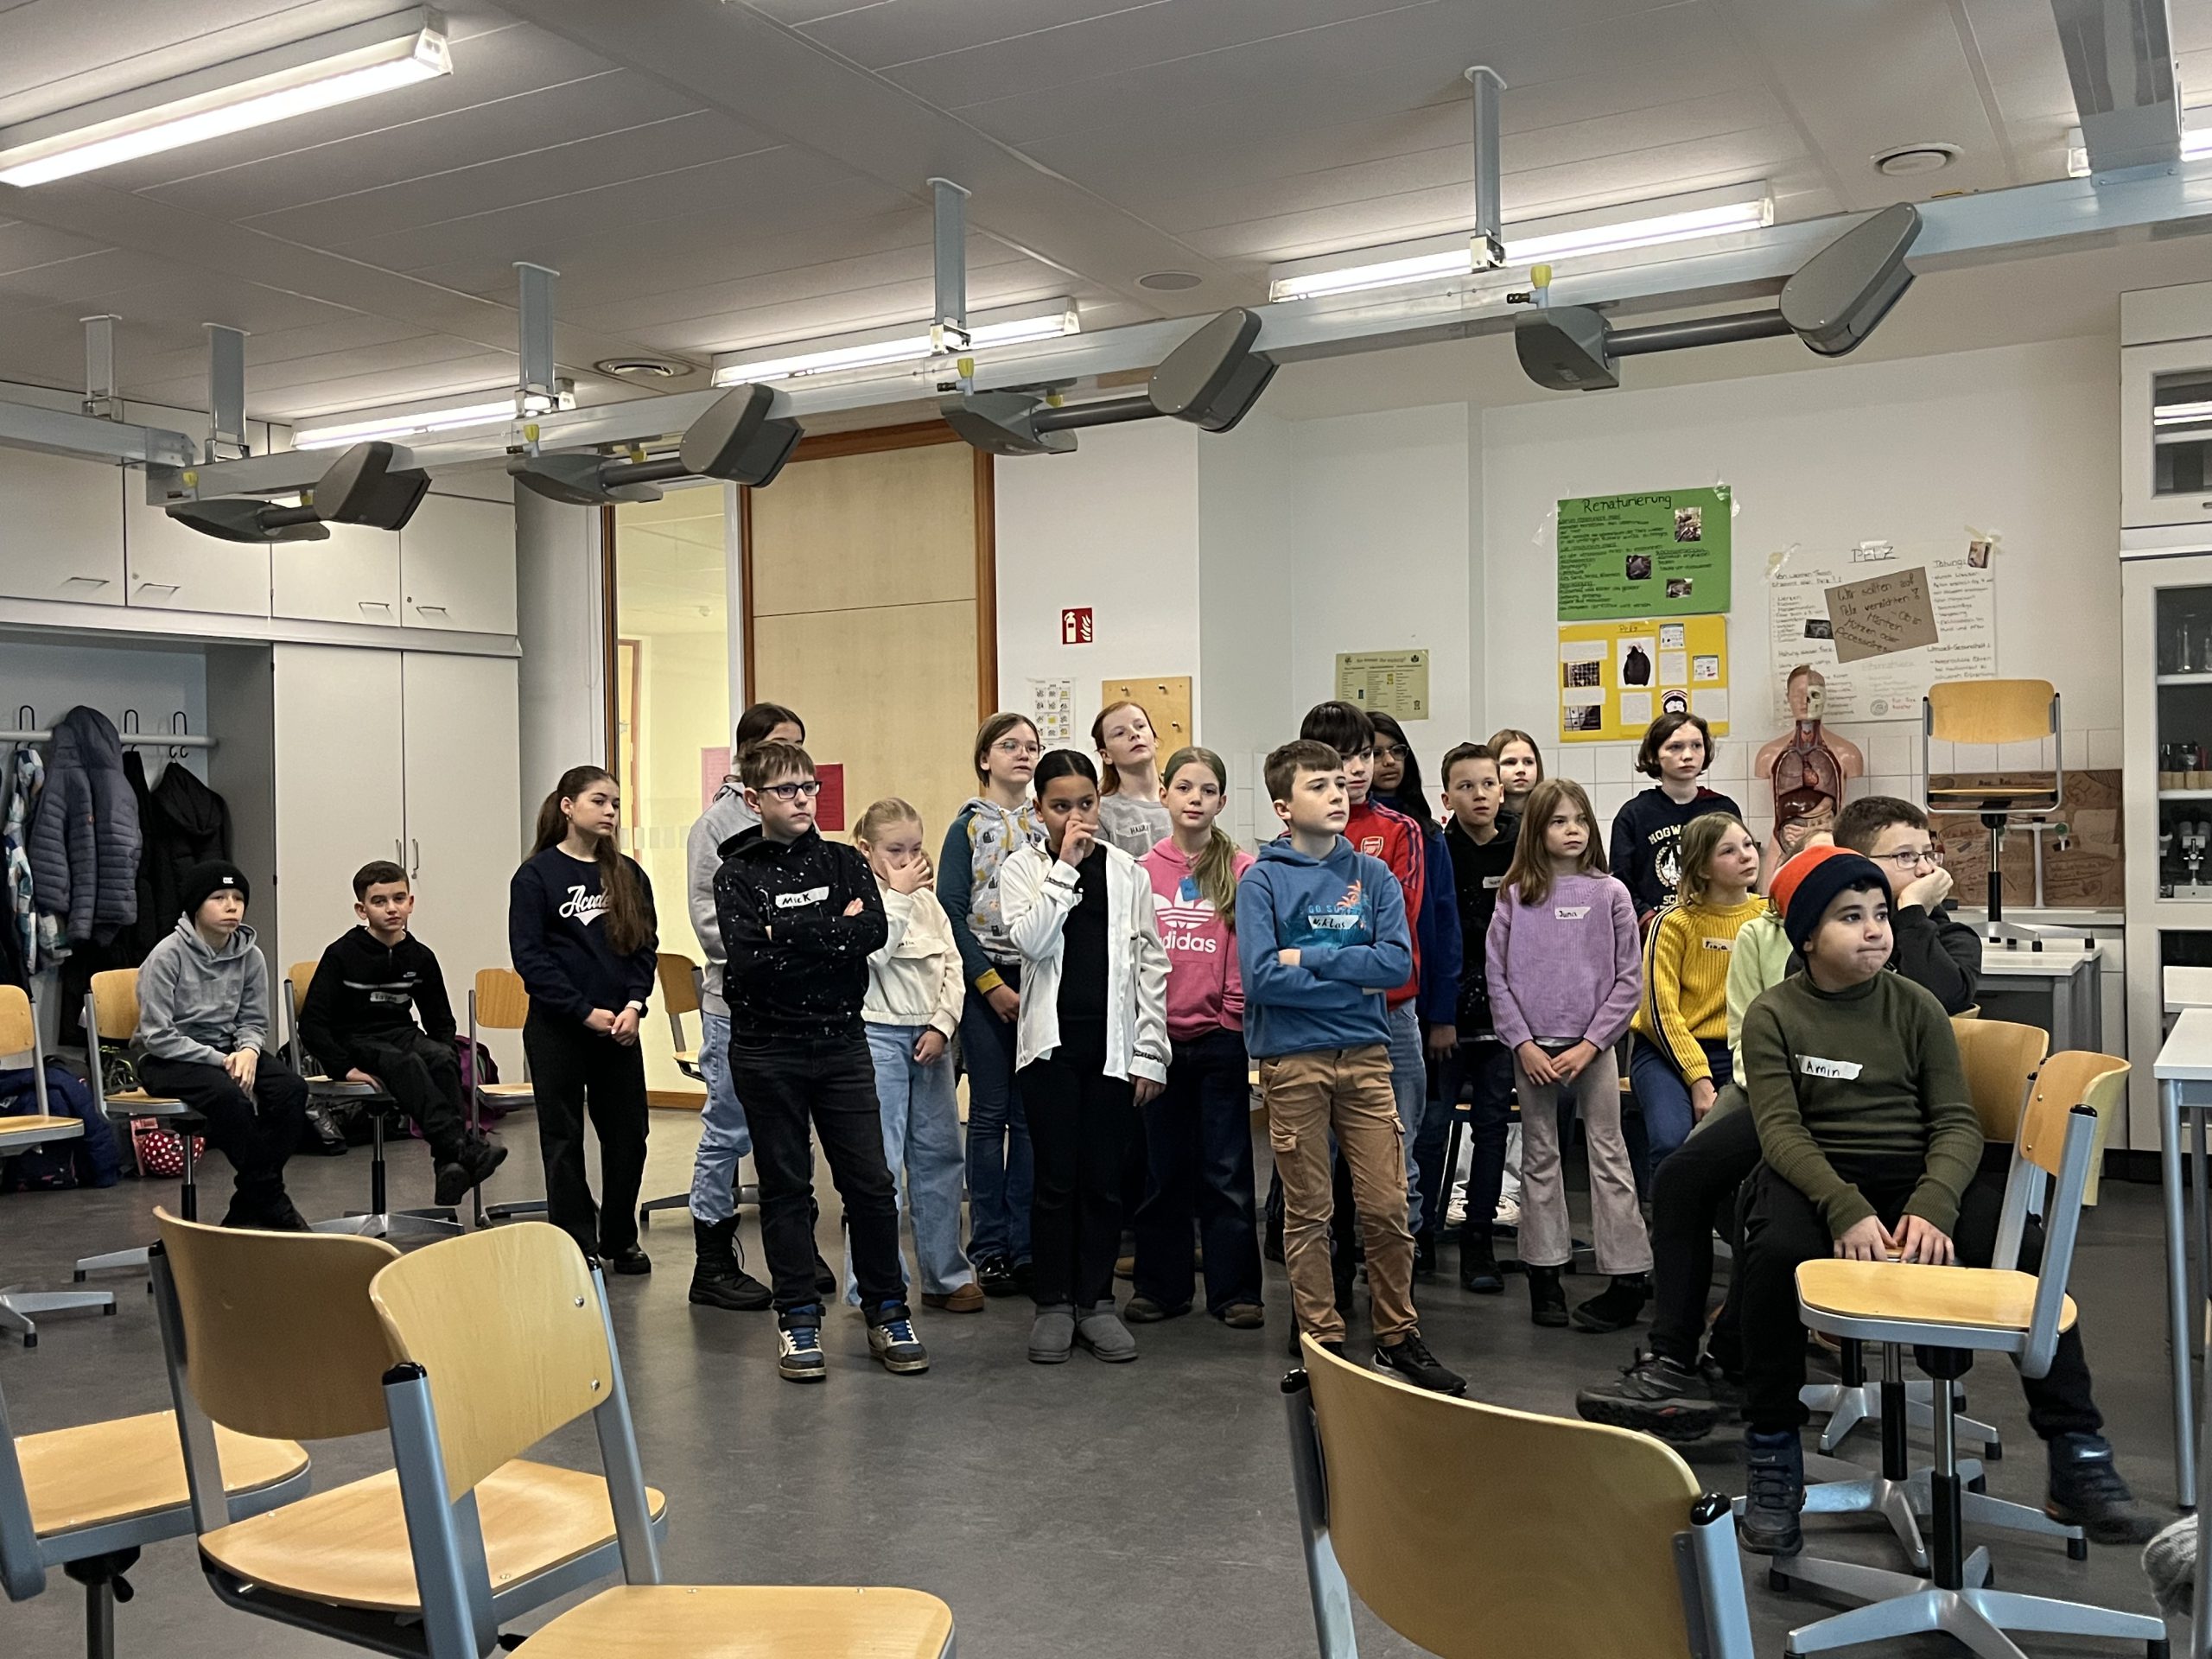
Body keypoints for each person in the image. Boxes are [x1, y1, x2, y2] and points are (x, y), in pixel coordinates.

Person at [1239, 740, 1461, 1395]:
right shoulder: (1262, 880)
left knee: (1388, 1206)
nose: (1337, 794)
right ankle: (1323, 1340)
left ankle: (1398, 1336)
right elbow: (1260, 978)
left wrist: (1306, 959)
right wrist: (1351, 974)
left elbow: (1396, 966)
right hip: (1293, 1062)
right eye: (1319, 786)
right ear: (1283, 806)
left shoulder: (1376, 877)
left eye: (1340, 783)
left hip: (1365, 1058)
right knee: (1309, 1211)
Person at [715, 741, 924, 1382]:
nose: (803, 799)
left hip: (840, 1043)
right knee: (785, 1188)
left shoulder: (842, 861)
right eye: (787, 790)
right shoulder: (736, 875)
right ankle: (798, 1317)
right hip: (766, 1048)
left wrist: (782, 931)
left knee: (871, 1184)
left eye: (810, 787)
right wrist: (829, 930)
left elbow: (871, 933)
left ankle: (887, 1310)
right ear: (755, 800)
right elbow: (749, 961)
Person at [1001, 750, 1169, 1363]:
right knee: (1054, 1180)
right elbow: (1031, 941)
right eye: (1060, 806)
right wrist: (1065, 869)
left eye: (1086, 804)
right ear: (1039, 809)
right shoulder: (1023, 869)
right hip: (1049, 1050)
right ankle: (1053, 1302)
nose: (1076, 817)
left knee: (1102, 1181)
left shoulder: (1127, 871)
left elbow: (1151, 964)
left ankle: (1095, 1302)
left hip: (1111, 1050)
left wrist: (1151, 1051)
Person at [1487, 777, 1648, 1332]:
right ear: (1537, 830)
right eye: (1558, 821)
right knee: (1540, 1155)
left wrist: (1592, 1043)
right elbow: (1497, 977)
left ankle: (1628, 1274)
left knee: (1609, 1152)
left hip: (1593, 1049)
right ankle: (1545, 1273)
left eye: (1580, 820)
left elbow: (1629, 980)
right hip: (1533, 1050)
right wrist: (1522, 1043)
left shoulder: (1611, 894)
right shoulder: (1514, 896)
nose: (1572, 830)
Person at [1129, 746, 1263, 1328]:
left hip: (1219, 1039)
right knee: (1163, 1171)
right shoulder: (1141, 870)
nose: (1195, 799)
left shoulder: (1242, 869)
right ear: (1164, 794)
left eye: (1207, 790)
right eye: (1184, 787)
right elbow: (1134, 953)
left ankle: (1236, 1292)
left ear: (1222, 802)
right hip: (1158, 1042)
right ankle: (1162, 1288)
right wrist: (1144, 1028)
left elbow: (1244, 950)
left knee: (1226, 1170)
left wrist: (1231, 1015)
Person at [508, 766, 658, 1272]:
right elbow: (531, 959)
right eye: (599, 801)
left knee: (628, 1136)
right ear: (568, 807)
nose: (610, 811)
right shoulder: (536, 876)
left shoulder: (629, 875)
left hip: (619, 1029)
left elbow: (645, 948)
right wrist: (581, 1011)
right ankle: (576, 1241)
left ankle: (619, 1236)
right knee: (564, 1138)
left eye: (615, 802)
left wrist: (634, 1005)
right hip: (559, 1029)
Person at [298, 859, 505, 1208]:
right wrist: (344, 1068)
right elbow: (312, 1025)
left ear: (410, 903)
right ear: (361, 910)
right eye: (379, 901)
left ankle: (449, 1165)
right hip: (356, 1038)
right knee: (404, 1063)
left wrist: (444, 1050)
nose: (391, 908)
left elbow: (441, 1022)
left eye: (398, 899)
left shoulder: (421, 957)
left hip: (401, 1032)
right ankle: (461, 1148)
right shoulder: (341, 954)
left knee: (442, 1056)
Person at [685, 702, 804, 1314]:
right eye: (780, 746)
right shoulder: (715, 826)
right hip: (736, 1002)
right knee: (728, 1129)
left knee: (793, 1129)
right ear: (748, 754)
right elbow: (711, 923)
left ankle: (798, 1252)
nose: (792, 761)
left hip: (797, 1007)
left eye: (799, 747)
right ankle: (712, 1259)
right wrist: (780, 951)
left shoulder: (799, 821)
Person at [1299, 702, 1433, 1231]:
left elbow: (1394, 927)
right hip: (1317, 1014)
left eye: (1365, 756)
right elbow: (1292, 930)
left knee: (1397, 1149)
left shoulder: (1401, 829)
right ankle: (1326, 1257)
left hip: (1389, 1012)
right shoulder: (1292, 842)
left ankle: (1400, 1256)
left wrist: (1324, 942)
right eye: (1342, 758)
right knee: (1316, 1158)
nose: (1357, 769)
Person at [848, 798, 978, 1313]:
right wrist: (898, 896)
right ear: (867, 850)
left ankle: (945, 1274)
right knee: (878, 1164)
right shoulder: (855, 899)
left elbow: (953, 965)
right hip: (876, 1036)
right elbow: (875, 954)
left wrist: (943, 1026)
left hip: (930, 1041)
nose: (909, 861)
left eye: (916, 850)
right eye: (895, 851)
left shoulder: (929, 903)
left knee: (940, 1157)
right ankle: (876, 1284)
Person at [134, 860, 309, 1230]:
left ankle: (250, 1202)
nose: (232, 906)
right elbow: (158, 1035)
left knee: (291, 1088)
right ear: (196, 906)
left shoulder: (251, 955)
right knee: (230, 1096)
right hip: (168, 1058)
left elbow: (254, 1020)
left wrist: (248, 1051)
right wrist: (222, 1060)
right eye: (219, 898)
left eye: (238, 898)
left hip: (230, 1049)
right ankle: (270, 1198)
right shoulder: (166, 956)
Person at [938, 713, 1046, 1297]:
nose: (1022, 754)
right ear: (985, 759)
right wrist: (987, 983)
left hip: (1037, 980)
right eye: (1009, 746)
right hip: (985, 984)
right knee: (987, 1116)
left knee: (1029, 1119)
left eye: (1031, 746)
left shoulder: (1044, 824)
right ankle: (989, 1246)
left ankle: (1027, 1246)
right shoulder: (966, 827)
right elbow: (951, 912)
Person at [1370, 711, 1465, 1274]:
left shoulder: (1426, 835)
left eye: (1396, 751)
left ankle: (1417, 1233)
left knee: (1421, 1124)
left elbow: (1444, 924)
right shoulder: (1335, 830)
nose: (1386, 762)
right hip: (1360, 1005)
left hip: (1418, 1001)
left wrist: (1443, 1012)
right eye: (1374, 752)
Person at [1625, 812, 1764, 1173]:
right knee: (1672, 1141)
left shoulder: (1770, 918)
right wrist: (1698, 1078)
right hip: (1667, 1052)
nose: (1746, 856)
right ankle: (1664, 1207)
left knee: (1744, 1143)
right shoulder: (1672, 923)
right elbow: (1658, 1014)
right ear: (1702, 868)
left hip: (1739, 1051)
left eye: (1748, 845)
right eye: (1729, 851)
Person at [1434, 742, 1518, 1293]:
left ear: (1502, 790)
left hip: (1506, 1017)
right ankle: (1420, 1234)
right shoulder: (1438, 850)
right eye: (1466, 787)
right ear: (1448, 798)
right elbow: (1434, 935)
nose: (1479, 795)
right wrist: (1438, 1015)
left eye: (1487, 784)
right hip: (1447, 1018)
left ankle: (1478, 1238)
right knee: (1432, 1127)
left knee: (1491, 1127)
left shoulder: (1523, 850)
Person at [1608, 711, 1742, 927]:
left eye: (1696, 746)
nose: (1688, 755)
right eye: (1675, 747)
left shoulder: (1723, 809)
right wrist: (1647, 918)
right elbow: (1620, 881)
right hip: (1655, 928)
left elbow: (1738, 872)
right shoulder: (1633, 814)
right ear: (1654, 755)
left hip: (1713, 924)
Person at [1092, 699, 1171, 856]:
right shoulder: (1102, 813)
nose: (1134, 734)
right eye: (1120, 733)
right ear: (1106, 755)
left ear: (1154, 740)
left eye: (1140, 726)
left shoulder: (1184, 800)